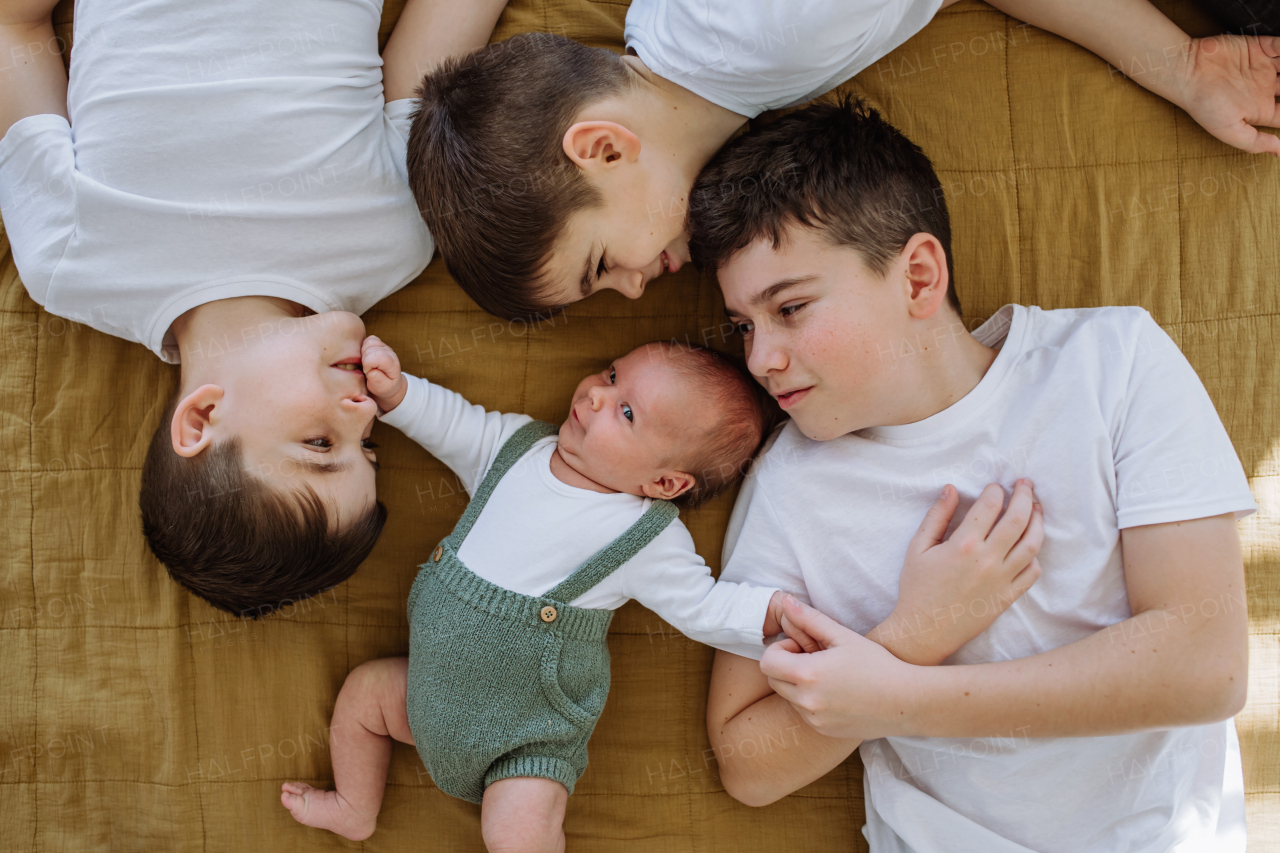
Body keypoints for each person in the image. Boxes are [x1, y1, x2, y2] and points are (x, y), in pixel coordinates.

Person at [689, 97, 1257, 852]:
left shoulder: (1111, 365)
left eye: (789, 308)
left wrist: (901, 696)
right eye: (744, 326)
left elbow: (1204, 665)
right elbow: (747, 764)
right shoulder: (791, 486)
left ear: (919, 276)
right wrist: (917, 633)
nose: (761, 358)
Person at [279, 334, 1044, 851]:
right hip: (424, 697)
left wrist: (773, 615)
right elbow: (455, 424)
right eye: (611, 376)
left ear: (665, 482)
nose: (593, 397)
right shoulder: (513, 447)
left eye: (628, 412)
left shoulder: (643, 536)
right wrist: (400, 390)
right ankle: (355, 806)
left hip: (524, 739)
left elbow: (706, 607)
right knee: (361, 696)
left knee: (515, 834)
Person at [0, 0, 505, 614]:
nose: (365, 412)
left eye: (320, 444)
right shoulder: (396, 240)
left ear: (202, 418)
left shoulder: (70, 263)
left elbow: (14, 26)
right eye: (367, 446)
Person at [406, 0, 1280, 319]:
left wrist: (1182, 69)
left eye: (600, 266)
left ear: (603, 147)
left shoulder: (771, 27)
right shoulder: (689, 50)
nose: (634, 288)